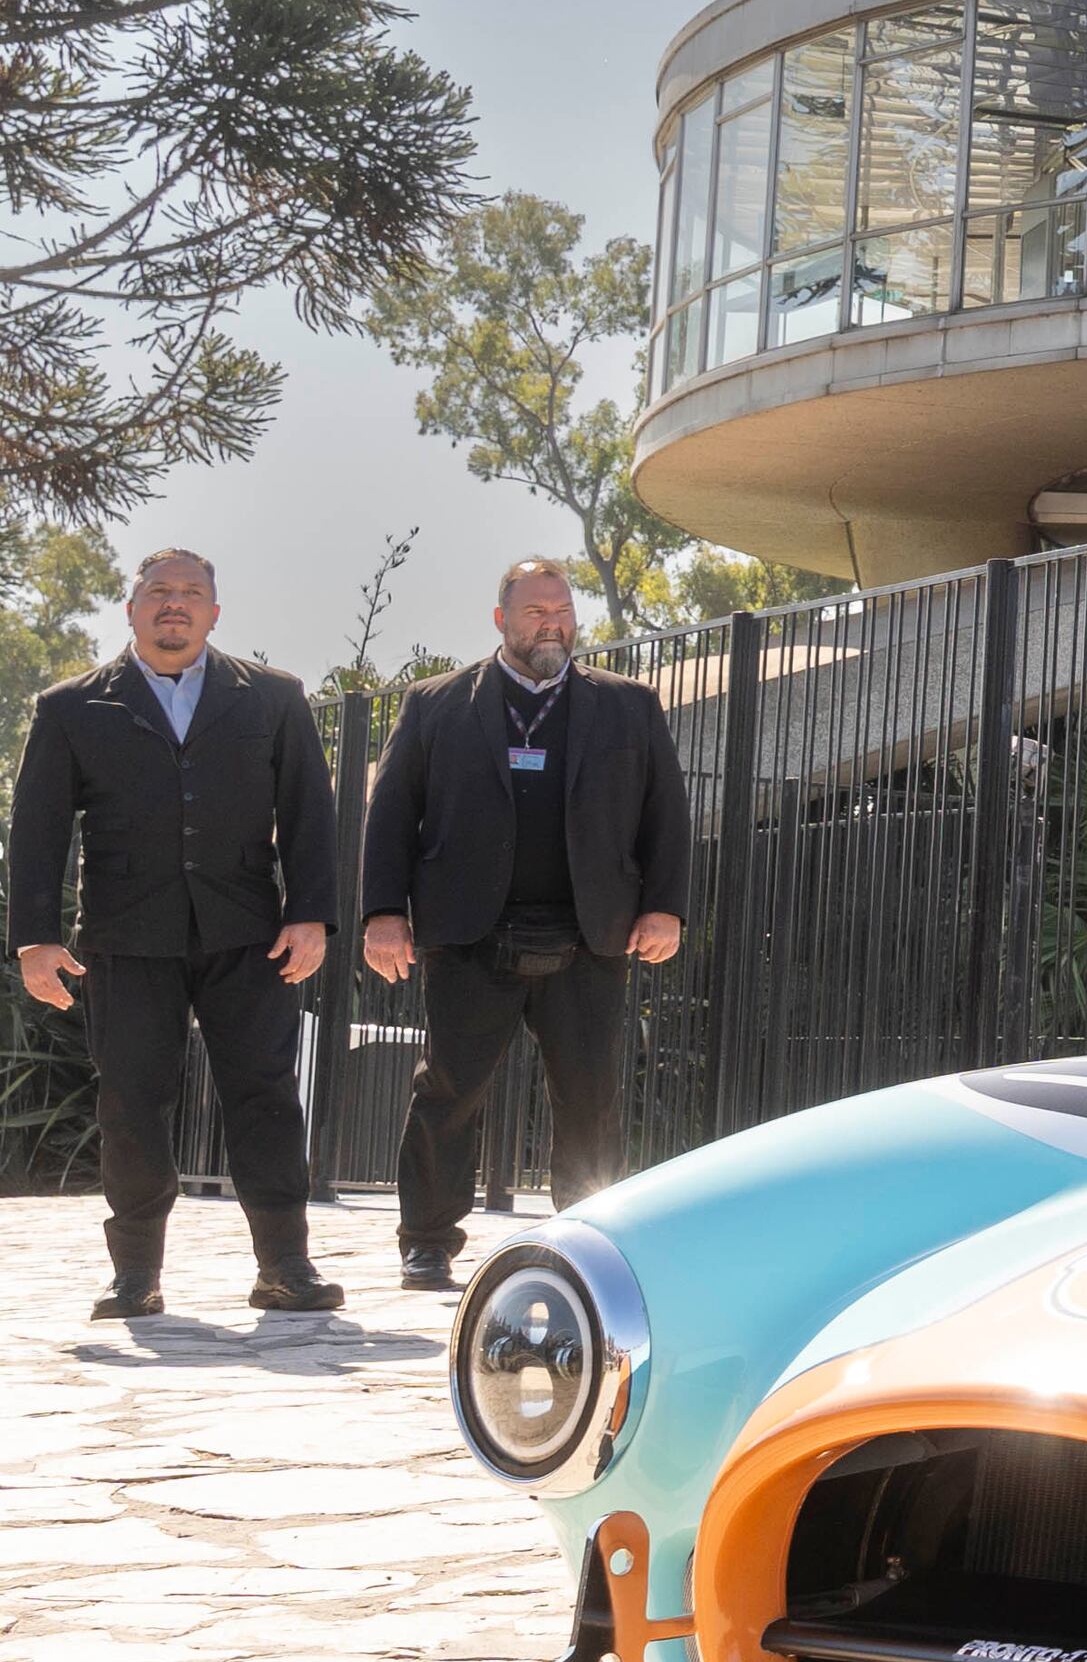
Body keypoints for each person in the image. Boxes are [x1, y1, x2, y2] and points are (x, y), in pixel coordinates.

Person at [8, 547, 342, 1320]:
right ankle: (135, 1276)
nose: (175, 604)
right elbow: (39, 829)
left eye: (192, 593)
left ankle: (285, 1265)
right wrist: (35, 937)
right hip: (126, 936)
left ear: (215, 613)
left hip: (249, 933)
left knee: (263, 1094)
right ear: (131, 608)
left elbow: (308, 817)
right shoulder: (71, 707)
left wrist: (311, 914)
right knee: (131, 1101)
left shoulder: (273, 699)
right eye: (159, 592)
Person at [360, 559, 691, 1289]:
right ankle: (426, 1240)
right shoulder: (435, 704)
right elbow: (390, 817)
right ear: (501, 619)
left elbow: (665, 812)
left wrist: (665, 905)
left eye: (563, 609)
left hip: (589, 932)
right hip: (470, 931)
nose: (553, 623)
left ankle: (590, 1239)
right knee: (449, 1089)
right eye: (537, 611)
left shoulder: (628, 705)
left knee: (591, 1092)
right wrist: (383, 912)